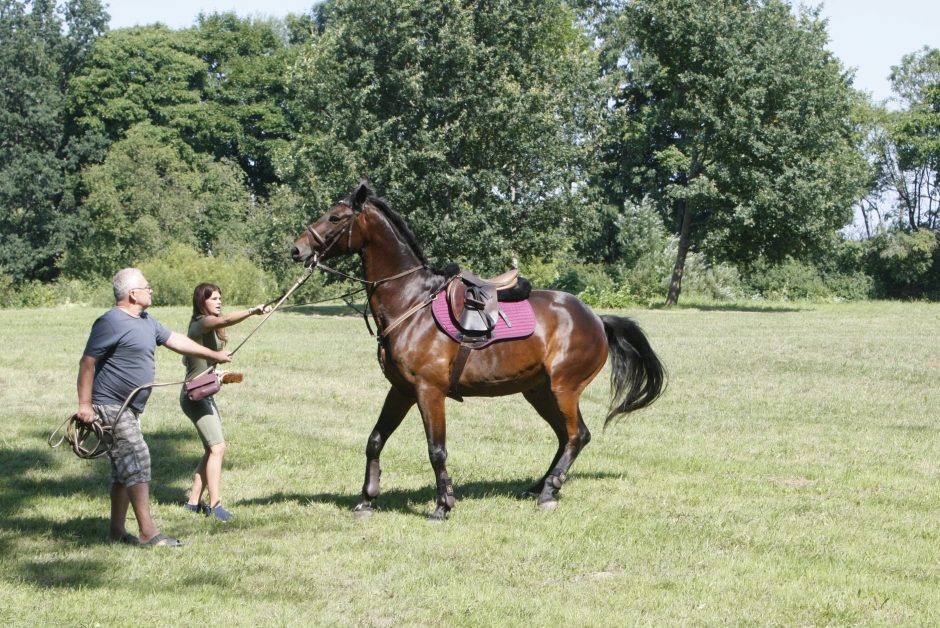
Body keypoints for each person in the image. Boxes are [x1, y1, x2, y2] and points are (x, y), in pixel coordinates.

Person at [76, 268, 233, 547]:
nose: (151, 291)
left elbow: (176, 340)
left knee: (122, 472)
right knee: (137, 461)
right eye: (147, 287)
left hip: (131, 408)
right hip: (112, 405)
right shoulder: (110, 322)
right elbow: (87, 363)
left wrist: (214, 355)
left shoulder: (146, 320)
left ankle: (116, 532)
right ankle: (149, 534)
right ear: (132, 294)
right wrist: (85, 405)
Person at [180, 283, 271, 522]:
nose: (219, 302)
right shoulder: (201, 322)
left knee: (211, 449)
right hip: (195, 397)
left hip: (204, 394)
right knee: (218, 448)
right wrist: (253, 311)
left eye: (220, 298)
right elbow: (228, 320)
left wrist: (216, 374)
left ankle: (192, 503)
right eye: (213, 299)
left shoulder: (208, 324)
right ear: (202, 302)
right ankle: (215, 505)